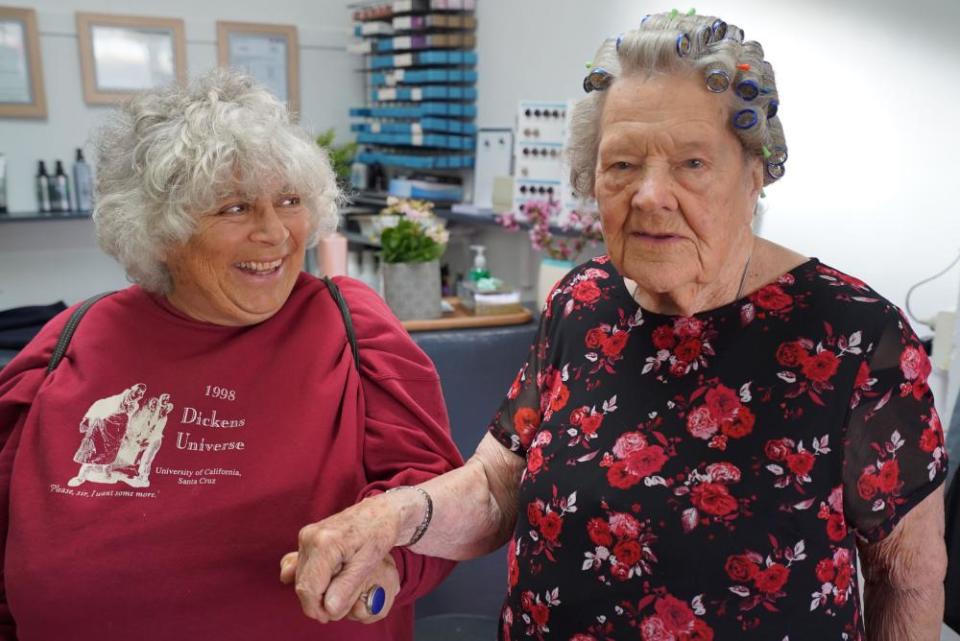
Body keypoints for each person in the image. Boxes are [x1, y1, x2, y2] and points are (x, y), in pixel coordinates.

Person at [286, 12, 949, 641]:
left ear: (755, 174)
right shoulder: (583, 302)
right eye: (623, 164)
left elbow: (909, 579)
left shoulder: (857, 337)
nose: (650, 195)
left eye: (692, 162)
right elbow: (496, 486)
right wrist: (393, 515)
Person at [0, 69, 462, 641]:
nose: (275, 233)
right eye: (234, 208)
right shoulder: (69, 342)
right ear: (161, 229)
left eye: (290, 201)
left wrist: (385, 571)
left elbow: (439, 506)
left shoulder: (352, 331)